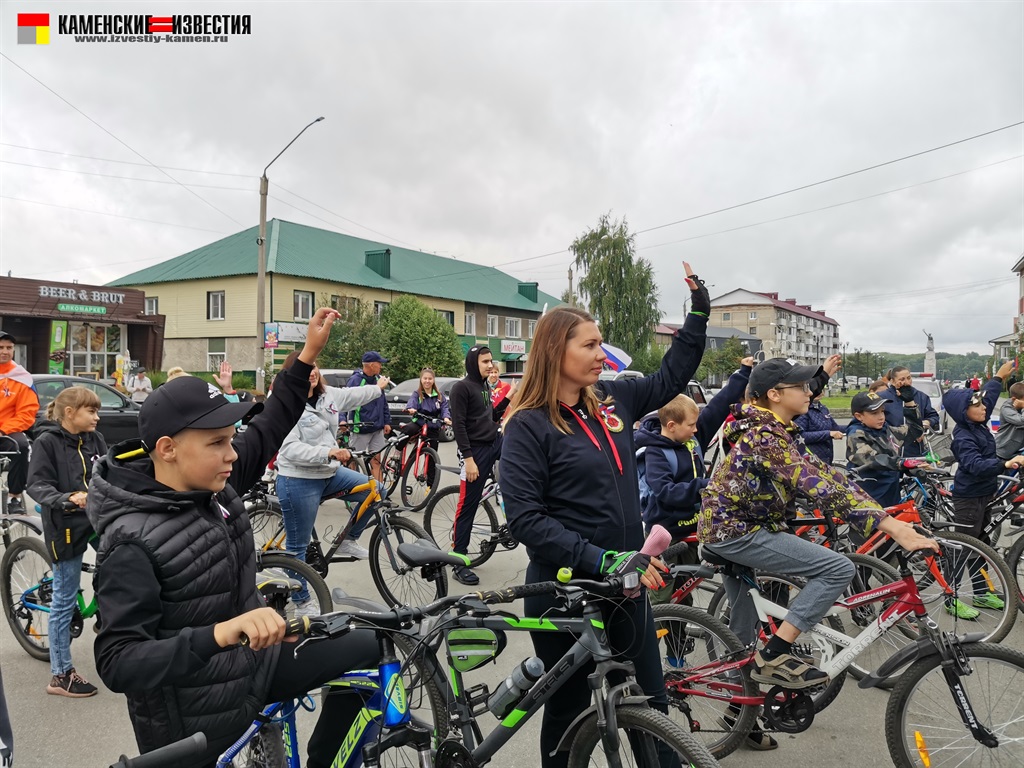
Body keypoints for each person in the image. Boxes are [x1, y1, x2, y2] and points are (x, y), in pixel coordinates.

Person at [88, 308, 380, 767]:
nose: (232, 454)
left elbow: (267, 429)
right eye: (217, 443)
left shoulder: (214, 483)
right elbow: (118, 661)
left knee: (370, 647)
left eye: (231, 439)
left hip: (254, 666)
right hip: (195, 720)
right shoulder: (130, 541)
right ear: (167, 449)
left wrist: (306, 355)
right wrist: (222, 633)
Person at [501, 261, 708, 768]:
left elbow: (673, 375)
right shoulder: (527, 426)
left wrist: (699, 311)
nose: (601, 354)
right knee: (571, 711)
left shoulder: (616, 398)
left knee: (651, 705)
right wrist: (604, 558)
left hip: (625, 584)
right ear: (556, 351)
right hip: (563, 590)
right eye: (589, 346)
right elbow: (527, 520)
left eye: (600, 343)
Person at [699, 358, 938, 692]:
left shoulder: (777, 429)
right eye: (800, 386)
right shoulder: (764, 435)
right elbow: (817, 484)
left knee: (742, 632)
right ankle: (775, 655)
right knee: (838, 569)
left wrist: (883, 516)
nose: (809, 391)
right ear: (775, 395)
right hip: (737, 532)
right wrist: (892, 527)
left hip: (734, 527)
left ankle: (738, 709)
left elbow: (827, 474)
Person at [635, 358, 753, 601]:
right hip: (666, 535)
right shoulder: (656, 452)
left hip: (693, 529)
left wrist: (743, 373)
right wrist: (703, 486)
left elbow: (719, 405)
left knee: (684, 590)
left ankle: (681, 637)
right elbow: (665, 491)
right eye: (691, 425)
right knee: (662, 596)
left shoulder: (691, 438)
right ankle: (656, 632)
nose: (697, 429)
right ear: (671, 425)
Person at [275, 351, 389, 579]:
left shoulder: (327, 395)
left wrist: (378, 388)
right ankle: (302, 603)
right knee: (298, 551)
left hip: (328, 473)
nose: (312, 372)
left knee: (377, 490)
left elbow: (354, 395)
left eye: (314, 366)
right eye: (305, 369)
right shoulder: (285, 404)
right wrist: (329, 451)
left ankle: (349, 539)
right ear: (292, 374)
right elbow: (289, 449)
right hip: (299, 479)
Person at [26, 386, 106, 698]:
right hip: (66, 524)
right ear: (70, 413)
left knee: (125, 562)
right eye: (91, 411)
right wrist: (67, 497)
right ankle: (60, 675)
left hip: (97, 519)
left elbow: (109, 473)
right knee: (64, 598)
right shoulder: (48, 442)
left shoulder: (95, 439)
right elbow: (37, 485)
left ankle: (107, 614)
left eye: (97, 411)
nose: (97, 417)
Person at [941, 360, 1024, 619]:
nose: (983, 407)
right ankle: (948, 596)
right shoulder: (964, 436)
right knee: (963, 546)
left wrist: (998, 377)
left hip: (986, 492)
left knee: (982, 542)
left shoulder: (977, 423)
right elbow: (974, 465)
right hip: (969, 496)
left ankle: (981, 592)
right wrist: (1005, 463)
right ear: (964, 412)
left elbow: (987, 395)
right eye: (976, 405)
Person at [448, 345, 513, 585]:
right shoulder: (461, 388)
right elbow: (459, 425)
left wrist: (507, 399)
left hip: (493, 442)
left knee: (521, 465)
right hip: (474, 451)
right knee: (468, 505)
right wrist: (469, 459)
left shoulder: (484, 386)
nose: (490, 365)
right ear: (473, 363)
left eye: (491, 361)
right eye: (485, 361)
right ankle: (458, 560)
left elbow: (490, 418)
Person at [845, 391, 907, 508]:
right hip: (869, 495)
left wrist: (910, 405)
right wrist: (899, 463)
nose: (881, 417)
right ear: (859, 416)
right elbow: (872, 459)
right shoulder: (856, 434)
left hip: (889, 491)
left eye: (882, 411)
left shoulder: (885, 429)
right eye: (874, 413)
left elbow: (913, 432)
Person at [340, 351, 392, 483]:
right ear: (371, 365)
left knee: (376, 462)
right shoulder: (356, 380)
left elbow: (383, 402)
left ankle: (380, 494)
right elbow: (345, 401)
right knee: (355, 462)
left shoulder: (377, 380)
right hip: (360, 428)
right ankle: (352, 492)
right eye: (379, 363)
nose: (381, 366)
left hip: (377, 428)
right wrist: (342, 419)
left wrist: (386, 421)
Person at [0, 330, 36, 513]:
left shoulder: (22, 377)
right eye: (0, 347)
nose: (5, 351)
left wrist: (4, 429)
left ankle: (14, 497)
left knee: (21, 446)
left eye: (9, 347)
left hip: (8, 429)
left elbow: (27, 412)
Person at [402, 367, 451, 484]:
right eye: (425, 378)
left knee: (433, 455)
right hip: (419, 422)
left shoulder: (439, 396)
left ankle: (430, 484)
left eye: (430, 379)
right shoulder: (417, 394)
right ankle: (398, 452)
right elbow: (412, 402)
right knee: (407, 430)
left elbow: (445, 408)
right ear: (421, 379)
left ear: (433, 380)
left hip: (433, 425)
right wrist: (411, 409)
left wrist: (446, 418)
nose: (427, 381)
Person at [879, 367, 939, 458]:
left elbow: (933, 416)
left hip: (915, 449)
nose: (906, 382)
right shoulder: (882, 397)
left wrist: (926, 422)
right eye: (902, 379)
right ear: (892, 381)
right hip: (890, 449)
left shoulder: (921, 396)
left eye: (909, 378)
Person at [794, 391, 844, 465]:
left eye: (821, 388)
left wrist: (856, 425)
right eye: (815, 389)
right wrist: (828, 434)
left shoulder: (823, 409)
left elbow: (835, 428)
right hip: (810, 459)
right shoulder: (802, 410)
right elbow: (801, 436)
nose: (819, 392)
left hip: (826, 457)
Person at [995, 381, 1024, 460]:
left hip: (1019, 450)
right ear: (1014, 399)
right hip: (1004, 451)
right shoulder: (1007, 408)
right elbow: (1021, 420)